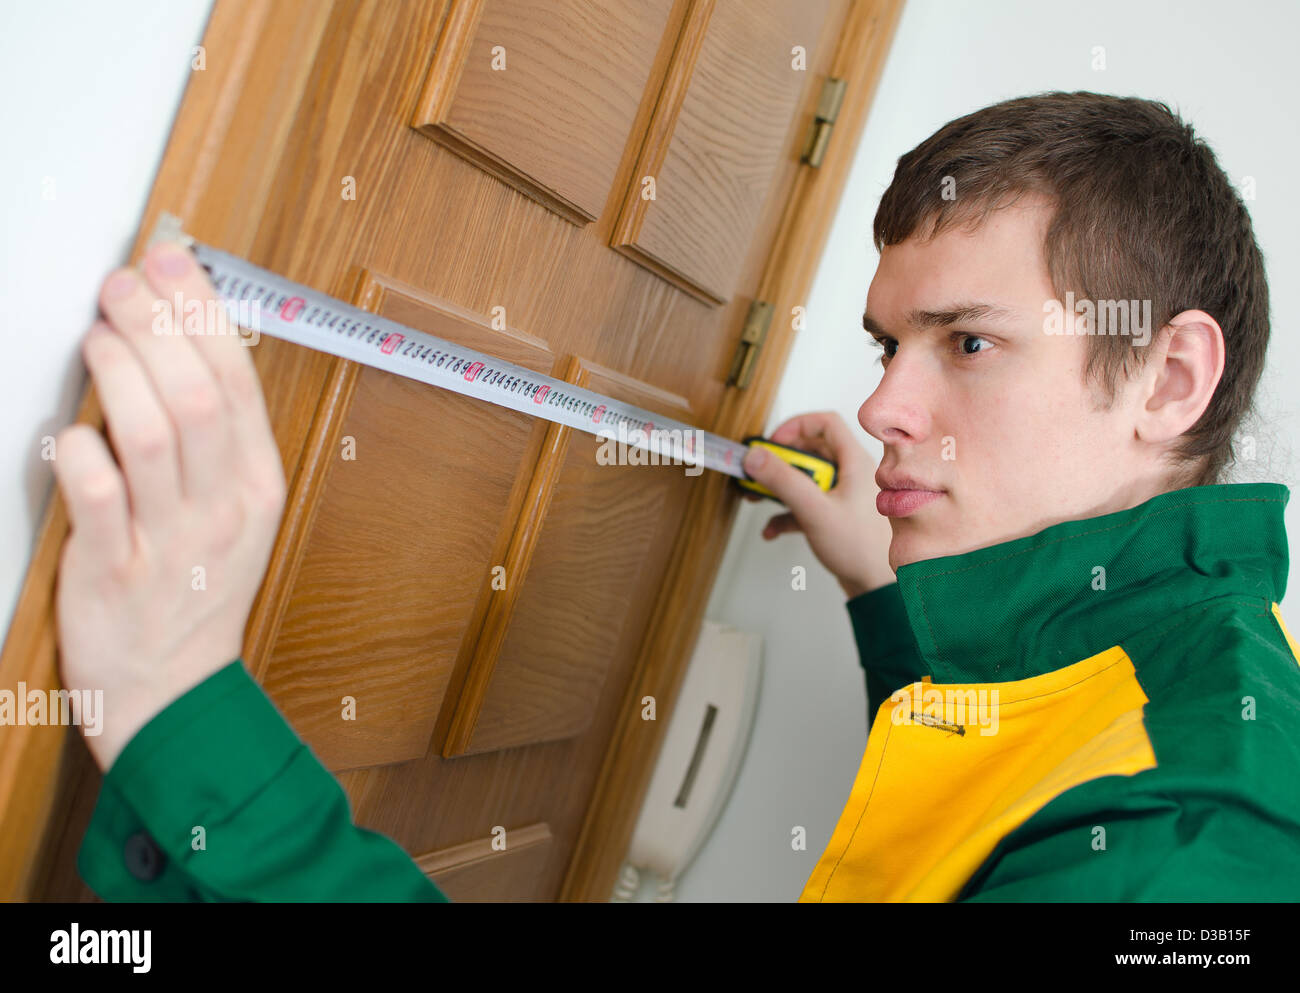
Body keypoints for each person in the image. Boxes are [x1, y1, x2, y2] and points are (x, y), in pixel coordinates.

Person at [58, 90, 1298, 902]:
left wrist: (185, 721)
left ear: (1169, 375)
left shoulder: (1192, 848)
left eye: (967, 344)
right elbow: (1002, 760)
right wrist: (882, 583)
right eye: (887, 349)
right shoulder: (1145, 660)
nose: (881, 412)